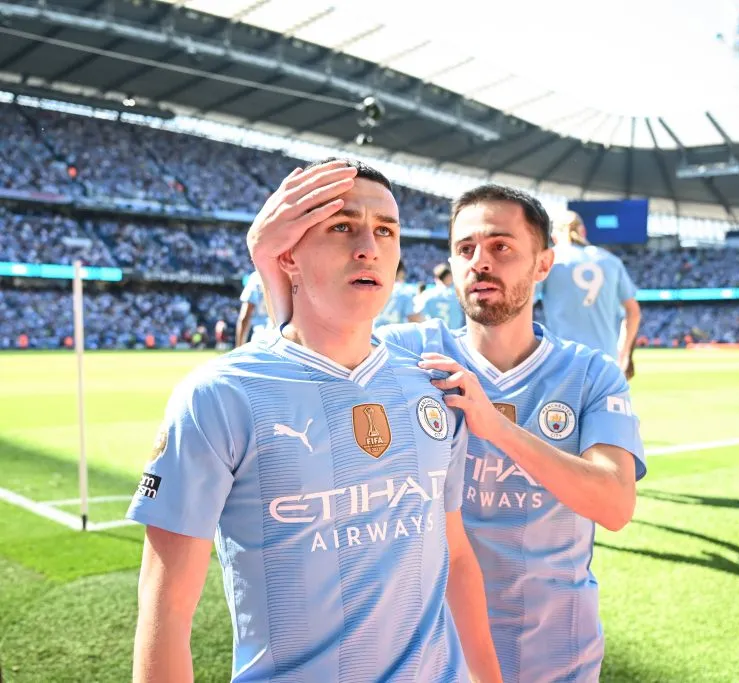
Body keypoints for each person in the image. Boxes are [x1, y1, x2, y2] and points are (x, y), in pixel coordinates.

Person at [248, 182, 645, 683]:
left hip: (557, 654)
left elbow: (615, 505)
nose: (481, 262)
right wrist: (269, 261)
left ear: (543, 264)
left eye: (501, 246)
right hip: (437, 657)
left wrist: (497, 427)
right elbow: (304, 345)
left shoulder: (591, 373)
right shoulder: (406, 352)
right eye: (465, 249)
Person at [127, 159, 501, 683]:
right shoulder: (219, 396)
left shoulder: (434, 386)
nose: (369, 246)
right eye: (341, 226)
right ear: (288, 256)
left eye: (385, 231)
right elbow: (165, 612)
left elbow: (456, 556)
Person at [536, 210, 641, 379]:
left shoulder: (550, 261)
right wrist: (624, 350)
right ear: (583, 231)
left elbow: (523, 304)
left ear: (554, 236)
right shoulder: (610, 261)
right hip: (607, 362)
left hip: (563, 361)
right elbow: (633, 312)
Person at [413, 263, 465, 330]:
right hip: (455, 336)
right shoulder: (458, 295)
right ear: (449, 277)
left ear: (436, 278)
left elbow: (415, 315)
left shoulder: (426, 295)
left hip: (434, 336)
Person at [374, 259, 420, 327]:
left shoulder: (373, 289)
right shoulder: (404, 291)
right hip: (395, 334)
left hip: (374, 333)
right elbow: (413, 318)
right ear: (401, 272)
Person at [235, 270, 270, 347]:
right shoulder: (287, 274)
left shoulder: (256, 277)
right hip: (283, 337)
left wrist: (239, 347)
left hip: (261, 336)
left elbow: (244, 317)